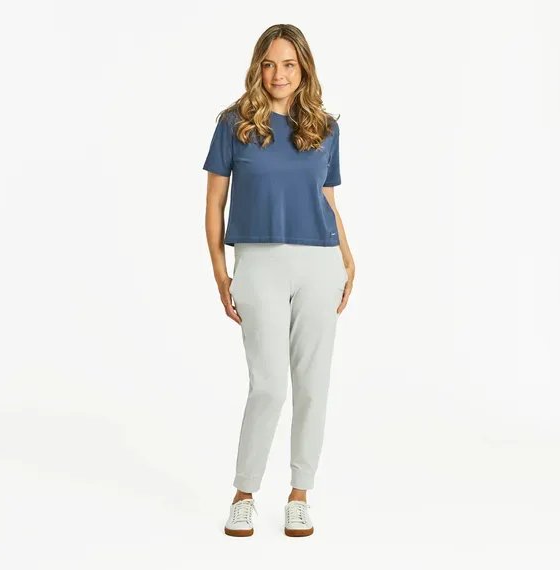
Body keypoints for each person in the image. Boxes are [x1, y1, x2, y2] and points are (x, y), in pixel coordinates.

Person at [202, 24, 355, 537]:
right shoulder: (234, 124)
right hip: (258, 263)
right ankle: (244, 493)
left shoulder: (324, 128)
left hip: (320, 263)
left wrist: (347, 258)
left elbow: (327, 199)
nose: (278, 74)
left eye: (288, 64)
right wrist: (221, 272)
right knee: (267, 385)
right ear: (257, 67)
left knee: (312, 384)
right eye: (269, 64)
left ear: (303, 68)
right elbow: (215, 205)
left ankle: (299, 494)